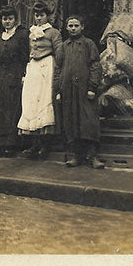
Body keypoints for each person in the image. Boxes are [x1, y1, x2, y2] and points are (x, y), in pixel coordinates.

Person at [53, 15, 104, 169]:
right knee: (71, 121)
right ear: (67, 28)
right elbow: (58, 69)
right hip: (68, 90)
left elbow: (95, 66)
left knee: (88, 121)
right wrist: (58, 89)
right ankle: (76, 155)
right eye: (70, 26)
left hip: (85, 90)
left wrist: (92, 87)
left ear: (82, 27)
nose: (73, 28)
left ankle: (92, 155)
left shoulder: (88, 44)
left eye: (76, 26)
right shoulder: (63, 46)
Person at [17, 1, 62, 159]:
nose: (39, 18)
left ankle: (45, 145)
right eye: (36, 15)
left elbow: (59, 53)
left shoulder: (53, 32)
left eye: (42, 15)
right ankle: (34, 144)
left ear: (47, 16)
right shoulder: (32, 31)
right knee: (31, 103)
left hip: (47, 66)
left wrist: (57, 70)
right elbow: (29, 51)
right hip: (34, 68)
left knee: (43, 103)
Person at [0, 6, 29, 157]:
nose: (7, 22)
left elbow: (26, 56)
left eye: (10, 19)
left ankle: (11, 145)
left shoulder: (22, 35)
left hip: (16, 75)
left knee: (13, 108)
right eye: (4, 19)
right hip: (1, 76)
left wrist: (25, 74)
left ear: (15, 20)